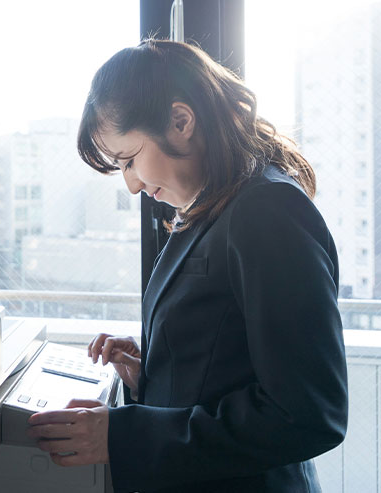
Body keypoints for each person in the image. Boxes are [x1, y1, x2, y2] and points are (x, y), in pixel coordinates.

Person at [26, 38, 348, 492]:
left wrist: (122, 434)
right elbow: (230, 356)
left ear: (181, 121)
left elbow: (307, 414)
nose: (133, 185)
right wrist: (157, 371)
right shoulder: (212, 207)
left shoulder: (267, 210)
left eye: (130, 159)